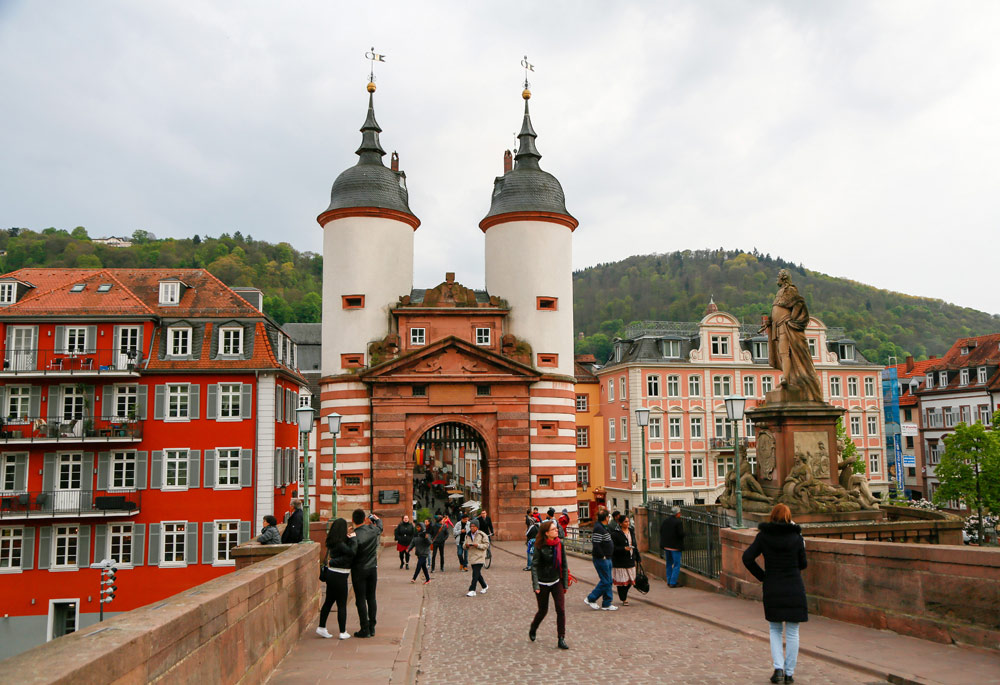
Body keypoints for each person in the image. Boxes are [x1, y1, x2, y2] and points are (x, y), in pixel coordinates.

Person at [742, 503, 808, 684]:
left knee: (775, 629)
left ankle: (778, 669)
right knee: (793, 631)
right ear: (788, 517)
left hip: (773, 586)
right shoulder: (796, 537)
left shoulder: (764, 537)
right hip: (794, 585)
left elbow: (747, 558)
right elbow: (803, 564)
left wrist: (763, 576)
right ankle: (789, 673)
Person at [763, 269, 824, 402]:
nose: (777, 279)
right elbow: (777, 309)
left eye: (778, 277)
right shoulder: (780, 292)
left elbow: (799, 304)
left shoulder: (790, 290)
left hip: (786, 326)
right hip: (778, 326)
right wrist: (770, 321)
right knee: (782, 353)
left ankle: (786, 378)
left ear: (783, 278)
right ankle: (787, 378)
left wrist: (793, 320)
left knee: (786, 352)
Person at [529, 520, 569, 649]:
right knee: (543, 610)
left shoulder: (560, 544)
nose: (557, 530)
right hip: (542, 582)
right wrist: (536, 585)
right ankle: (533, 628)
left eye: (556, 529)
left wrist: (565, 584)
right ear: (546, 533)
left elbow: (564, 564)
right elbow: (534, 566)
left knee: (561, 609)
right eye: (553, 529)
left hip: (556, 581)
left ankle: (561, 638)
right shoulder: (539, 545)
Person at [317, 518, 356, 640]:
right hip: (340, 575)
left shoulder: (333, 540)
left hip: (331, 574)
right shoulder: (340, 543)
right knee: (341, 604)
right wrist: (353, 538)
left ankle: (321, 627)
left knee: (328, 602)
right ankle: (342, 632)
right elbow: (351, 552)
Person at [349, 509, 383, 638]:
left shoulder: (354, 535)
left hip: (359, 570)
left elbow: (352, 553)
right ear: (364, 519)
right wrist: (376, 519)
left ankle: (365, 628)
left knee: (360, 599)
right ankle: (372, 626)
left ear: (353, 520)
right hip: (372, 568)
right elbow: (380, 526)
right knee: (371, 598)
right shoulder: (372, 530)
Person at [584, 510, 616, 610]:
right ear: (606, 518)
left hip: (608, 557)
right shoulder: (598, 528)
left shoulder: (603, 527)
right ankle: (591, 598)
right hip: (602, 559)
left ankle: (607, 603)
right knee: (606, 581)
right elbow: (596, 544)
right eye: (608, 516)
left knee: (609, 581)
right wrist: (602, 556)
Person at [611, 514, 638, 605]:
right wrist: (623, 548)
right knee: (622, 581)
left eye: (628, 521)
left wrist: (637, 556)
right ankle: (623, 598)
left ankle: (624, 595)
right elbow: (613, 548)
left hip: (630, 559)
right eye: (625, 522)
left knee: (631, 580)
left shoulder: (631, 531)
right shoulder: (615, 534)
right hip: (620, 561)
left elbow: (635, 544)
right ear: (620, 523)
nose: (627, 523)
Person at [463, 520, 490, 597]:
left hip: (480, 557)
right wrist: (466, 546)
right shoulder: (468, 535)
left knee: (475, 573)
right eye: (471, 526)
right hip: (472, 557)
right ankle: (484, 586)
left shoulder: (482, 534)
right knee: (478, 574)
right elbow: (464, 546)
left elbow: (486, 545)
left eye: (473, 526)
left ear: (477, 527)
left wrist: (477, 545)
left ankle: (472, 590)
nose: (472, 528)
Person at [660, 506, 685, 587]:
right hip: (675, 547)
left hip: (667, 546)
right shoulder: (678, 522)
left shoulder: (665, 521)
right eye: (680, 513)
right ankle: (673, 582)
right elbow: (680, 534)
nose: (680, 514)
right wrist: (685, 534)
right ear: (677, 514)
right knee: (677, 564)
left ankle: (669, 580)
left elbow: (661, 531)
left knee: (669, 564)